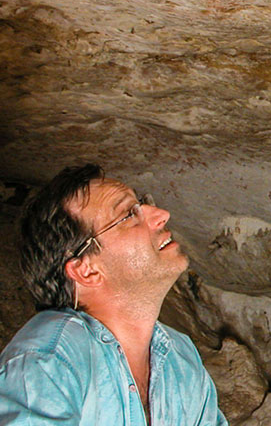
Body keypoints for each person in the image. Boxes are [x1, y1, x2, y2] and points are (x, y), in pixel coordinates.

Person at [0, 164, 227, 425]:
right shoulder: (49, 360)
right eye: (129, 214)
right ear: (86, 271)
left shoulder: (180, 355)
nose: (162, 215)